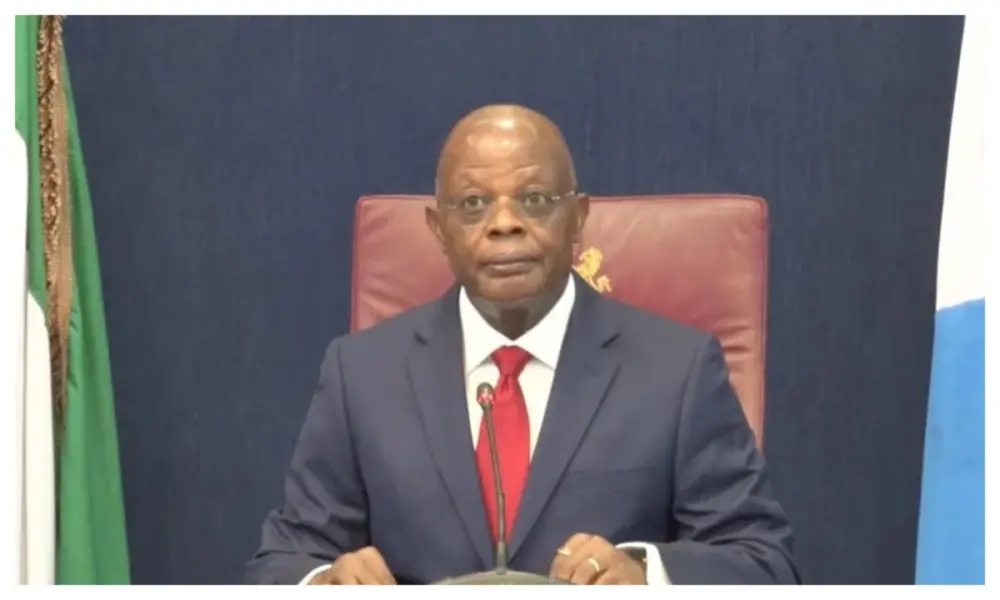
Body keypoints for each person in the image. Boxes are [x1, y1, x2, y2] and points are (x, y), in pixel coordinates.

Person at [245, 104, 800, 585]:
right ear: (438, 230)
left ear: (578, 218)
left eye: (534, 199)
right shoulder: (361, 374)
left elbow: (764, 563)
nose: (504, 224)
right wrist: (325, 581)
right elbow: (282, 561)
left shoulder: (677, 370)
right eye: (473, 204)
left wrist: (645, 573)